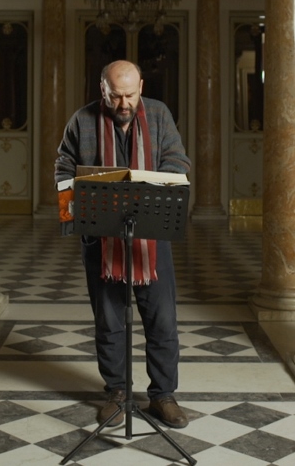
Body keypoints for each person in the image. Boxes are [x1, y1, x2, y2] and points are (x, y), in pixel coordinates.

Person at [55, 60, 192, 429]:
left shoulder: (160, 115)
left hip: (151, 235)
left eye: (130, 95)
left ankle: (163, 395)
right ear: (102, 89)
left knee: (162, 320)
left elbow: (178, 160)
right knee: (110, 321)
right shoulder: (81, 121)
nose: (123, 103)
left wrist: (154, 182)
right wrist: (74, 220)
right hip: (101, 238)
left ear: (141, 87)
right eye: (115, 95)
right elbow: (64, 168)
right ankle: (117, 393)